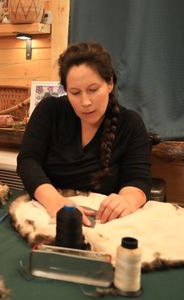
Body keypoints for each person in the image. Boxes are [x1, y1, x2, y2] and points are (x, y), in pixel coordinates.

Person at [17, 42, 151, 226]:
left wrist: (127, 200)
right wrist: (55, 202)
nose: (85, 102)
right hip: (48, 215)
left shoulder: (130, 123)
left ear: (110, 83)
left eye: (93, 90)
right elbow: (27, 161)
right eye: (75, 92)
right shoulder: (50, 111)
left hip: (104, 222)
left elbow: (138, 179)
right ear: (66, 91)